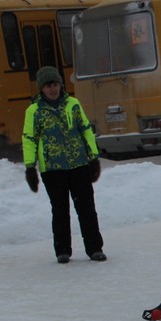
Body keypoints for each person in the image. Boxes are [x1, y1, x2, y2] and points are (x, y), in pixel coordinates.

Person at [22, 66, 106, 264]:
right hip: (52, 169)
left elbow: (85, 130)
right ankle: (62, 250)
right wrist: (29, 167)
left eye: (55, 84)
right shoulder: (34, 111)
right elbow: (29, 139)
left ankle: (95, 248)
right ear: (41, 89)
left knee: (86, 208)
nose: (52, 89)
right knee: (60, 210)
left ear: (60, 85)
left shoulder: (73, 104)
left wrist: (93, 157)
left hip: (78, 165)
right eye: (48, 86)